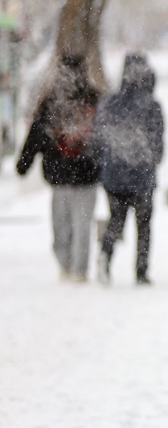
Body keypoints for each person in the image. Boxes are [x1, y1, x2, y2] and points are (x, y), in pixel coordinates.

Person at [16, 55, 101, 282]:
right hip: (84, 173)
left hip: (63, 174)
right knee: (80, 225)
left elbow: (36, 134)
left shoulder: (53, 100)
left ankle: (69, 266)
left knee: (63, 225)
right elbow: (106, 137)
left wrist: (24, 163)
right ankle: (78, 270)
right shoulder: (92, 99)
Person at [94, 54, 164, 285]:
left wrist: (105, 164)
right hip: (142, 175)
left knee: (116, 220)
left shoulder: (109, 103)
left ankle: (105, 256)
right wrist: (151, 162)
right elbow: (157, 143)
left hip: (114, 176)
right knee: (143, 225)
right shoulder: (151, 106)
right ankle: (141, 271)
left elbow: (99, 140)